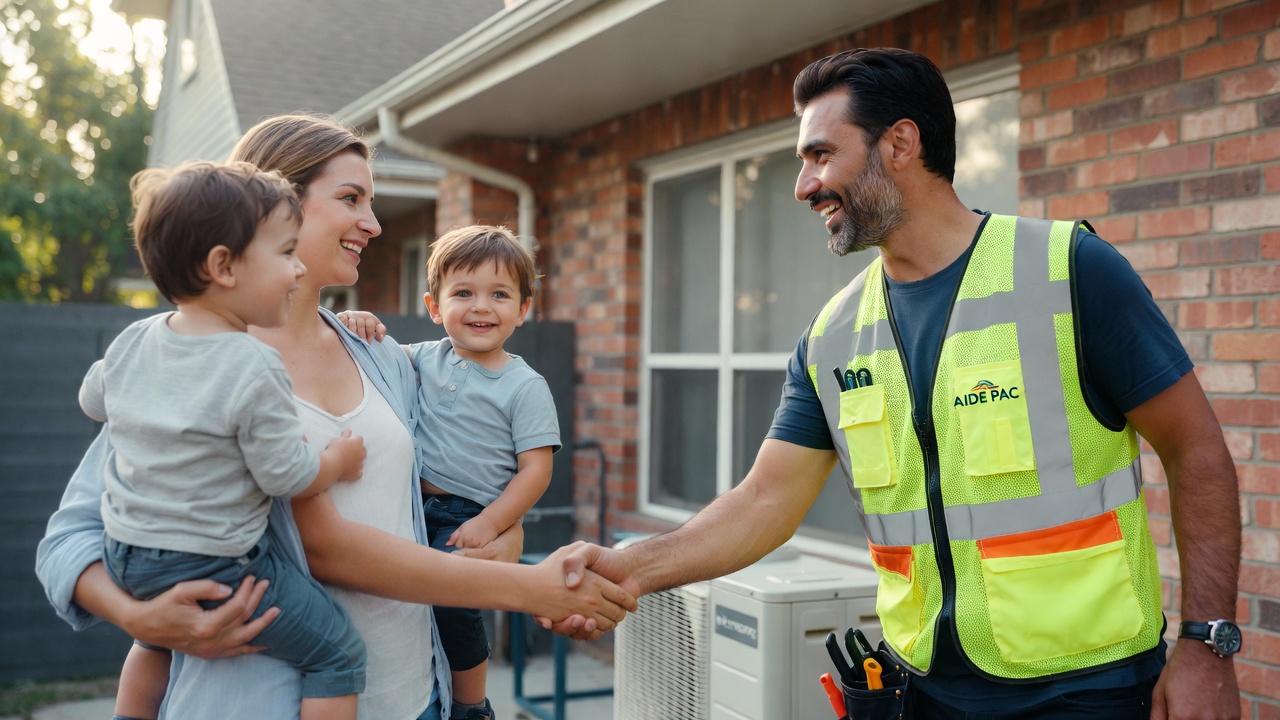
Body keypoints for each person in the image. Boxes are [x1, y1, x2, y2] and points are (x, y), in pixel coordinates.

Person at [553, 48, 1242, 720]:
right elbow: (764, 501)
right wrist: (628, 569)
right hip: (919, 690)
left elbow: (1197, 452)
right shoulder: (833, 334)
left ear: (901, 144)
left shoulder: (1070, 271)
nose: (803, 186)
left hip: (1088, 692)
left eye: (821, 155)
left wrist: (1208, 644)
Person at [37, 113, 636, 720]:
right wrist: (137, 616)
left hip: (414, 695)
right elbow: (70, 537)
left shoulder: (380, 355)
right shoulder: (184, 355)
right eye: (352, 198)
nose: (373, 224)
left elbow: (439, 487)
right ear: (276, 203)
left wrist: (504, 534)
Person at [84, 161, 368, 720]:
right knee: (338, 651)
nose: (296, 270)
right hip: (214, 563)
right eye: (286, 254)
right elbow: (285, 476)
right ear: (223, 266)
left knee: (153, 642)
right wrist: (336, 460)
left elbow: (95, 402)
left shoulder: (135, 338)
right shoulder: (253, 363)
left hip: (126, 555)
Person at [338, 224, 560, 720]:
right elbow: (374, 354)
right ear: (434, 307)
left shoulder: (525, 386)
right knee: (406, 604)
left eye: (499, 294)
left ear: (523, 310)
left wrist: (492, 523)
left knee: (454, 603)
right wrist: (358, 319)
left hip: (470, 512)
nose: (482, 306)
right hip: (412, 505)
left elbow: (535, 472)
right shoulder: (421, 358)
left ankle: (471, 705)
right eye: (463, 293)